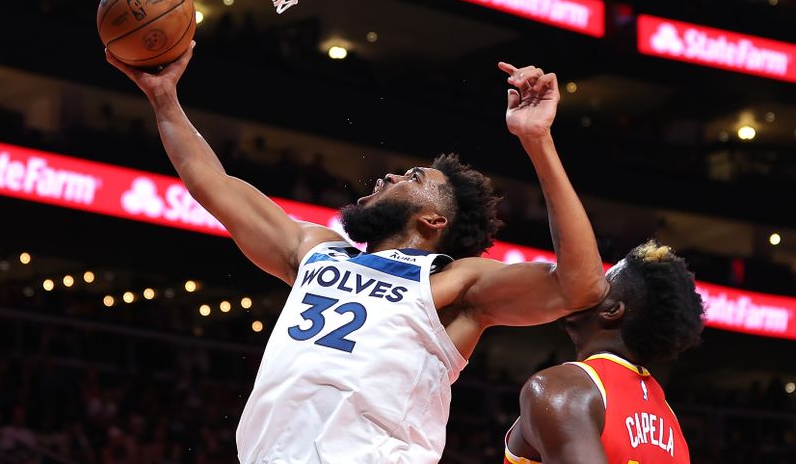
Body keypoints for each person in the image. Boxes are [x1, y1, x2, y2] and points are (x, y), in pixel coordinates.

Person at [106, 43, 610, 464]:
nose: (388, 176)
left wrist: (538, 141)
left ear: (434, 222)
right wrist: (164, 98)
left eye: (413, 179)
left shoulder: (454, 283)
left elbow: (580, 285)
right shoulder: (317, 251)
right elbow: (211, 183)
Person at [503, 241, 705, 464]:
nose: (588, 283)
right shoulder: (671, 422)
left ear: (612, 311)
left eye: (603, 281)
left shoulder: (563, 390)